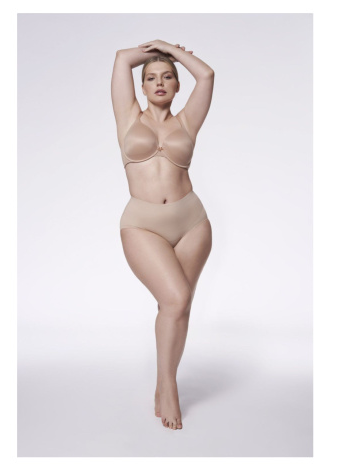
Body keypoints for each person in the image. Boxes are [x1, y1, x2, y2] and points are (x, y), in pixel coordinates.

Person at [111, 39, 214, 430]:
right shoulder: (127, 117)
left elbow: (207, 75)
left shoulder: (187, 121)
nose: (159, 83)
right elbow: (123, 58)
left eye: (167, 77)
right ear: (141, 87)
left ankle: (163, 381)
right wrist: (159, 50)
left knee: (178, 308)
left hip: (192, 222)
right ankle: (168, 385)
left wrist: (174, 51)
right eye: (151, 77)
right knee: (176, 298)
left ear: (176, 85)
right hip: (143, 223)